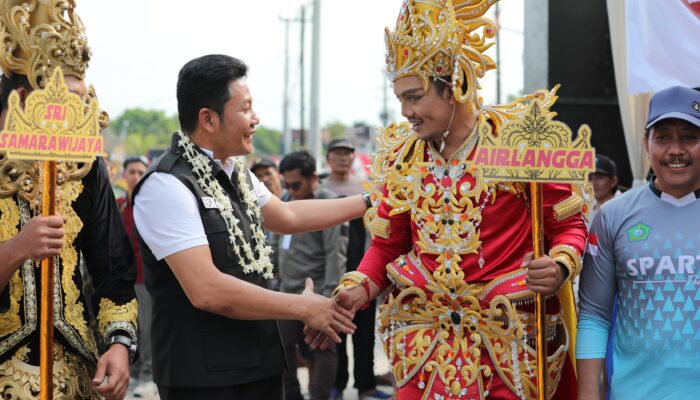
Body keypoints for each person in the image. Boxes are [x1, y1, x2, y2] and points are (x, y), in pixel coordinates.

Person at [306, 1, 588, 398]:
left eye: (415, 97)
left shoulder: (518, 142)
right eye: (401, 99)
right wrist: (356, 290)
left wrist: (559, 265)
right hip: (427, 350)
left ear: (455, 84)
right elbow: (389, 245)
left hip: (508, 348)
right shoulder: (404, 158)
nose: (405, 112)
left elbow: (569, 225)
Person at [132, 54, 370, 399]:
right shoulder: (167, 185)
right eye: (245, 109)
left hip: (259, 364)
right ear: (208, 119)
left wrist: (372, 201)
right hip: (205, 378)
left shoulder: (235, 173)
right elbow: (207, 290)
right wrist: (302, 307)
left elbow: (289, 218)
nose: (256, 119)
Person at [0, 1, 138, 399]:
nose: (81, 115)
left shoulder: (84, 165)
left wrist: (118, 344)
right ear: (24, 96)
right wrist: (15, 250)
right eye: (70, 102)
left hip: (74, 374)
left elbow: (113, 266)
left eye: (84, 102)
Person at [577, 85, 700, 399]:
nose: (676, 150)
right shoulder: (611, 216)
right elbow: (593, 315)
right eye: (663, 138)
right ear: (646, 144)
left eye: (689, 137)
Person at [275, 150, 347, 400]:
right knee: (283, 349)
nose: (291, 189)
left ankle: (319, 396)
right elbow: (276, 240)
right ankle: (292, 395)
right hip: (286, 292)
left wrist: (329, 297)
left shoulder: (328, 204)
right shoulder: (284, 200)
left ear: (313, 178)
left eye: (296, 184)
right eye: (286, 183)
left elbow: (335, 254)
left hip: (317, 293)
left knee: (322, 349)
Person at [322, 138, 391, 400]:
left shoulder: (365, 189)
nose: (343, 158)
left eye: (347, 153)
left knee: (364, 333)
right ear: (328, 158)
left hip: (364, 270)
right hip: (332, 270)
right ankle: (336, 384)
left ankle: (366, 385)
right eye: (337, 153)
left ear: (353, 158)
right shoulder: (321, 189)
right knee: (334, 330)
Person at [116, 156, 157, 398]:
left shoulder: (152, 204)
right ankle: (132, 372)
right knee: (129, 328)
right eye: (131, 171)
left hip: (146, 277)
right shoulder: (119, 206)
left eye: (140, 171)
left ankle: (149, 375)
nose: (135, 176)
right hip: (124, 278)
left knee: (149, 329)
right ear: (124, 175)